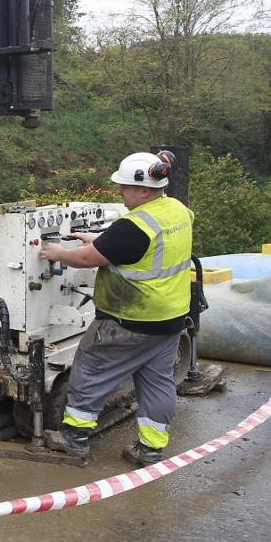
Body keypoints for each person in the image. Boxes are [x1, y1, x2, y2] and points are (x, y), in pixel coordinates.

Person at [37, 151, 193, 466]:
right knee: (157, 382)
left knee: (90, 368)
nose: (120, 191)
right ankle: (150, 448)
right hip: (170, 319)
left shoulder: (134, 225)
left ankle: (74, 438)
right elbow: (144, 245)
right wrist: (99, 239)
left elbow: (86, 259)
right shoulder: (177, 209)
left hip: (131, 319)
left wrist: (56, 251)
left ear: (145, 190)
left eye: (125, 187)